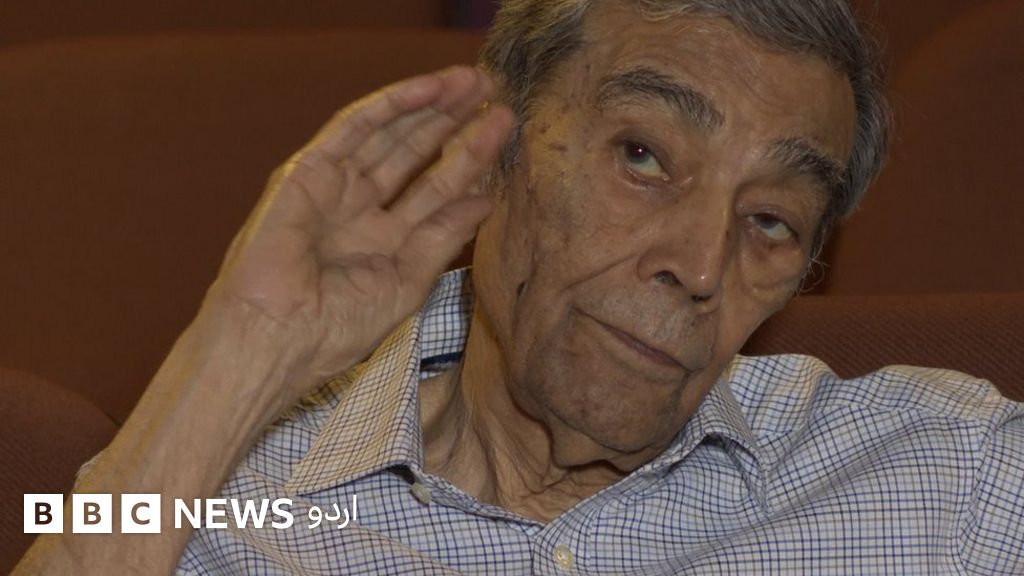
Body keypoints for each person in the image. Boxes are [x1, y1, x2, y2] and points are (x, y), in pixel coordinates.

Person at [17, 0, 1024, 574]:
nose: (699, 265)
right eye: (642, 156)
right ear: (497, 147)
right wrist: (238, 353)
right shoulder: (215, 481)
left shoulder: (947, 476)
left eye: (771, 221)